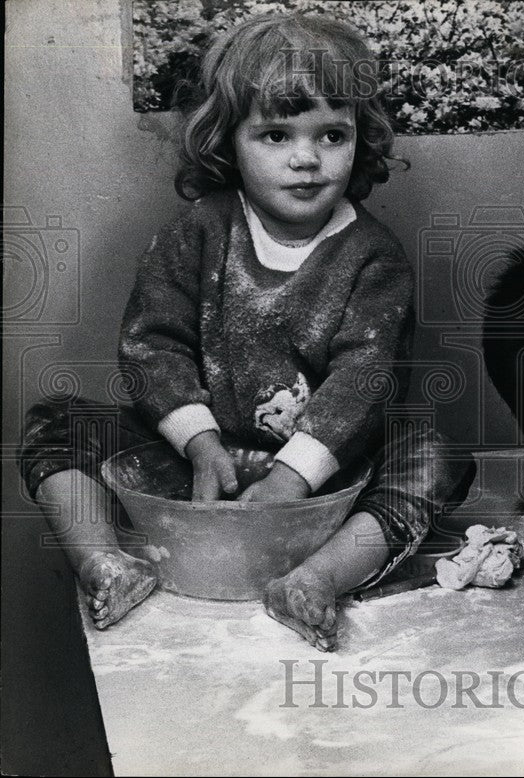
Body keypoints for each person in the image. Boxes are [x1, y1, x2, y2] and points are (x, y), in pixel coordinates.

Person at [17, 13, 475, 651]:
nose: (307, 158)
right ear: (228, 141)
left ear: (360, 141)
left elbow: (363, 384)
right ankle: (105, 564)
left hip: (321, 485)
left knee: (435, 457)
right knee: (56, 422)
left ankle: (315, 581)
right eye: (276, 134)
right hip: (195, 467)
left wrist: (290, 479)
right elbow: (152, 344)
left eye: (332, 134)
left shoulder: (374, 259)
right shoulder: (198, 233)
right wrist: (200, 444)